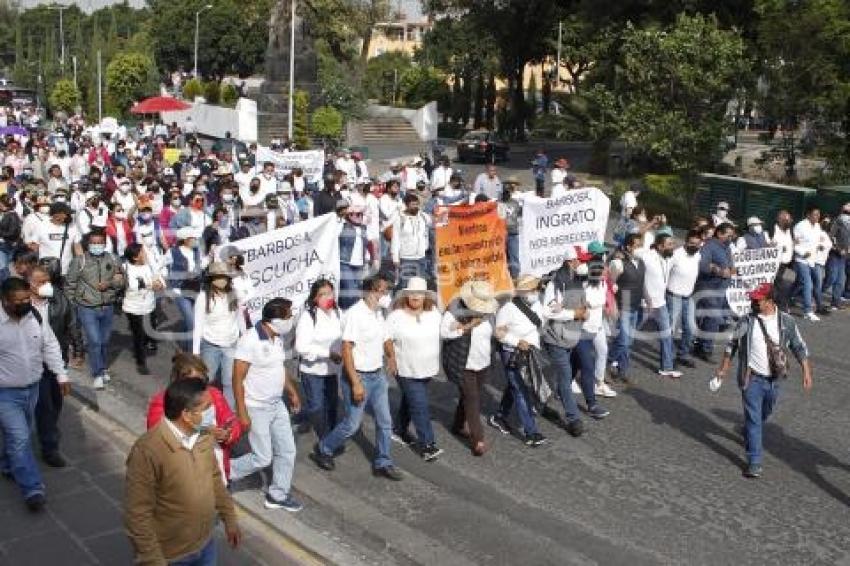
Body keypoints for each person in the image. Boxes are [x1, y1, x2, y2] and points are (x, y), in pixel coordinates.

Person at [125, 379, 242, 564]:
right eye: (207, 407)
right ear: (186, 414)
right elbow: (137, 515)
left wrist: (230, 518)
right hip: (171, 556)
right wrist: (153, 560)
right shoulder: (147, 451)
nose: (213, 411)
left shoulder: (204, 436)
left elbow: (214, 479)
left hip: (205, 545)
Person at [713, 283, 812, 478]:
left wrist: (806, 372)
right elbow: (731, 345)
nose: (753, 302)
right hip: (751, 379)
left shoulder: (787, 322)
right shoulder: (745, 321)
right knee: (753, 420)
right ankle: (754, 461)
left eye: (757, 300)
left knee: (764, 413)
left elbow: (799, 347)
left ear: (770, 301)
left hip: (774, 380)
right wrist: (723, 369)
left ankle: (749, 431)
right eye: (753, 299)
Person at [311, 274, 403, 479]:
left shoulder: (379, 313)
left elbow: (386, 337)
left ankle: (383, 461)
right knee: (352, 425)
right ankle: (324, 448)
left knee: (385, 421)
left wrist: (391, 357)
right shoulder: (355, 314)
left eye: (387, 291)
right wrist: (355, 383)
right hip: (359, 376)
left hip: (378, 376)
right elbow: (346, 349)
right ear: (371, 292)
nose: (386, 295)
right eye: (383, 291)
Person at [0, 276, 68, 511]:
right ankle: (32, 488)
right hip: (5, 393)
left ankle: (8, 464)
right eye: (17, 301)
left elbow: (49, 345)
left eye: (26, 298)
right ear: (5, 301)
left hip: (33, 388)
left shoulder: (35, 316)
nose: (24, 304)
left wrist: (61, 374)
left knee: (22, 433)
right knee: (20, 438)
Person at [230, 298, 303, 511]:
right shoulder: (250, 340)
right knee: (262, 458)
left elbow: (279, 368)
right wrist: (242, 412)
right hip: (256, 407)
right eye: (288, 316)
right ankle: (224, 471)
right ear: (276, 319)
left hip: (276, 405)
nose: (291, 320)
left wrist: (292, 392)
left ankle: (278, 494)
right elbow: (237, 379)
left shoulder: (277, 338)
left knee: (287, 450)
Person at [146, 352, 243, 483]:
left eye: (202, 381)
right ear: (179, 381)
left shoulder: (213, 395)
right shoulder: (162, 403)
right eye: (193, 382)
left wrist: (227, 434)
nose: (199, 388)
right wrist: (204, 432)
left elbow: (231, 421)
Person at [441, 280, 503, 455]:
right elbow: (444, 333)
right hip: (463, 363)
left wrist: (499, 333)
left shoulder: (489, 313)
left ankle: (458, 425)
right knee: (473, 399)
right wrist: (467, 327)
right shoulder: (454, 310)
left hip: (482, 362)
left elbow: (492, 332)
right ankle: (478, 439)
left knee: (468, 397)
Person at [387, 277, 444, 460]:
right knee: (420, 405)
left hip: (427, 368)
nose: (415, 296)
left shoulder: (434, 313)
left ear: (426, 296)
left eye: (419, 293)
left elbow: (446, 330)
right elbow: (385, 338)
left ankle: (399, 429)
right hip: (406, 369)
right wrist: (391, 358)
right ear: (406, 295)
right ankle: (427, 444)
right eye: (411, 293)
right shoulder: (396, 316)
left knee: (410, 399)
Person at [490, 275, 547, 447]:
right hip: (513, 353)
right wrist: (516, 341)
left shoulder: (537, 304)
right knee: (521, 390)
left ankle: (499, 417)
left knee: (515, 386)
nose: (537, 292)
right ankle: (531, 432)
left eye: (537, 289)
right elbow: (498, 333)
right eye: (533, 289)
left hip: (531, 352)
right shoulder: (508, 308)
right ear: (524, 292)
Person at [65, 229, 124, 390]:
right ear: (88, 244)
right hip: (87, 307)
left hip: (107, 306)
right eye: (94, 243)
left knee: (104, 341)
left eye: (100, 243)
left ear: (105, 244)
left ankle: (103, 368)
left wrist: (110, 283)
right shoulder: (80, 261)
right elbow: (70, 285)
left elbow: (122, 281)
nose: (97, 245)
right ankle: (97, 373)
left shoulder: (113, 259)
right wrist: (73, 306)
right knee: (95, 341)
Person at [28, 265, 74, 468]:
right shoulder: (21, 307)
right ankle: (49, 447)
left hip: (56, 360)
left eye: (47, 281)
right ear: (29, 284)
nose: (45, 285)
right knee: (44, 406)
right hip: (34, 365)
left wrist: (77, 349)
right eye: (40, 281)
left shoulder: (58, 299)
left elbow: (69, 324)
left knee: (55, 402)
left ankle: (48, 431)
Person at [294, 279, 342, 439]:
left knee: (332, 405)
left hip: (332, 370)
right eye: (323, 295)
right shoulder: (308, 317)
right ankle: (324, 440)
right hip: (312, 371)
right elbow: (301, 348)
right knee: (317, 406)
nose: (328, 297)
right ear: (315, 298)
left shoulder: (338, 313)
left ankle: (331, 436)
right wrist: (328, 353)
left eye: (330, 293)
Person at [192, 262, 242, 408]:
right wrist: (195, 352)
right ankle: (202, 408)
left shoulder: (234, 294)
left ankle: (228, 414)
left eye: (225, 277)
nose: (222, 280)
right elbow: (198, 325)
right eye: (218, 277)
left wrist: (243, 338)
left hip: (231, 343)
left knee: (229, 381)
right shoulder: (203, 297)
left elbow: (239, 319)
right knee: (208, 378)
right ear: (211, 279)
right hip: (210, 345)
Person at [693, 223, 735, 362]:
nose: (731, 237)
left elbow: (730, 266)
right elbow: (702, 264)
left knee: (707, 318)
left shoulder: (726, 248)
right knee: (713, 317)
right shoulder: (709, 246)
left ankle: (700, 345)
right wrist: (717, 270)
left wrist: (732, 271)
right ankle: (706, 349)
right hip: (707, 287)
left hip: (720, 289)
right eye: (728, 234)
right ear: (719, 233)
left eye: (732, 235)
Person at [642, 233, 682, 378]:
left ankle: (666, 367)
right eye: (670, 244)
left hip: (661, 303)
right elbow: (630, 254)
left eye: (673, 243)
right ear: (660, 246)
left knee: (667, 335)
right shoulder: (647, 256)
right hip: (645, 304)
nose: (673, 246)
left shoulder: (667, 257)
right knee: (627, 335)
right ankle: (614, 358)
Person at [608, 233, 646, 382]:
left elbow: (642, 282)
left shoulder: (641, 262)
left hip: (636, 306)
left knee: (628, 342)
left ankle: (623, 370)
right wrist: (613, 305)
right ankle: (607, 362)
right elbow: (610, 283)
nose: (640, 248)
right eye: (637, 246)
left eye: (640, 245)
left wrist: (646, 301)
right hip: (623, 306)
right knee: (623, 341)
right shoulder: (619, 262)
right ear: (628, 246)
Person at [122, 244, 163, 375]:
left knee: (149, 330)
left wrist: (159, 284)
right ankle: (141, 362)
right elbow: (133, 285)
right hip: (133, 308)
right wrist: (150, 284)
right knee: (138, 334)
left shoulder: (149, 266)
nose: (145, 254)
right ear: (135, 257)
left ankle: (142, 345)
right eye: (142, 253)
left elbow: (159, 280)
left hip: (149, 305)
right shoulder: (125, 268)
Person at [666, 230, 702, 368]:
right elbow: (665, 272)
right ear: (686, 241)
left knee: (691, 328)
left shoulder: (698, 255)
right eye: (691, 243)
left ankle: (683, 354)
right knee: (670, 329)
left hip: (688, 296)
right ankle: (667, 357)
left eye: (697, 244)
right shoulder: (676, 255)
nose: (694, 246)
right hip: (673, 295)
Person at [166, 226, 204, 352]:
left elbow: (202, 265)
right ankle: (191, 352)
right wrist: (168, 284)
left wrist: (209, 257)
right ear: (185, 239)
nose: (195, 240)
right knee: (191, 322)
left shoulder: (197, 251)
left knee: (190, 321)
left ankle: (184, 346)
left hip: (195, 289)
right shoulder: (173, 252)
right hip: (180, 291)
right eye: (193, 238)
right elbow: (160, 266)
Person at [793, 206, 828, 321]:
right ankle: (807, 311)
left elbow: (818, 240)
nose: (818, 216)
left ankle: (786, 299)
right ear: (808, 215)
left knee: (800, 283)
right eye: (815, 214)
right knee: (808, 284)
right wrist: (803, 253)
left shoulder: (817, 226)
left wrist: (821, 245)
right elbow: (794, 244)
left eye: (818, 214)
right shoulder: (800, 226)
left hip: (813, 260)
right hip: (801, 260)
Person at [338, 206, 375, 309]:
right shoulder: (342, 226)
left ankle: (351, 315)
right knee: (349, 291)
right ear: (350, 215)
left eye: (361, 214)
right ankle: (346, 312)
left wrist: (373, 258)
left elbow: (370, 243)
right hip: (345, 263)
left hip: (359, 264)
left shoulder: (364, 228)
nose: (360, 217)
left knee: (357, 292)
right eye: (357, 214)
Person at [391, 193, 431, 289]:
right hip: (406, 258)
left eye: (417, 204)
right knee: (405, 286)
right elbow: (395, 239)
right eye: (413, 204)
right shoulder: (400, 219)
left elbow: (437, 221)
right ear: (406, 205)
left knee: (420, 286)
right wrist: (395, 258)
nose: (415, 207)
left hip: (421, 258)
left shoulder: (424, 217)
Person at [826, 203, 850, 309]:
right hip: (835, 254)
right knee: (831, 278)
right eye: (846, 212)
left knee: (840, 280)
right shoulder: (837, 221)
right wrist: (838, 249)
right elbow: (830, 237)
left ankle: (835, 302)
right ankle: (814, 294)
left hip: (844, 256)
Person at [772, 210, 795, 311]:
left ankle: (784, 304)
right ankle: (780, 308)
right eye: (786, 219)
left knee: (788, 286)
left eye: (790, 219)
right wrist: (779, 247)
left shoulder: (790, 231)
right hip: (778, 264)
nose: (789, 221)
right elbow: (768, 245)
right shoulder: (773, 230)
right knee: (781, 286)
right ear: (779, 220)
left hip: (789, 264)